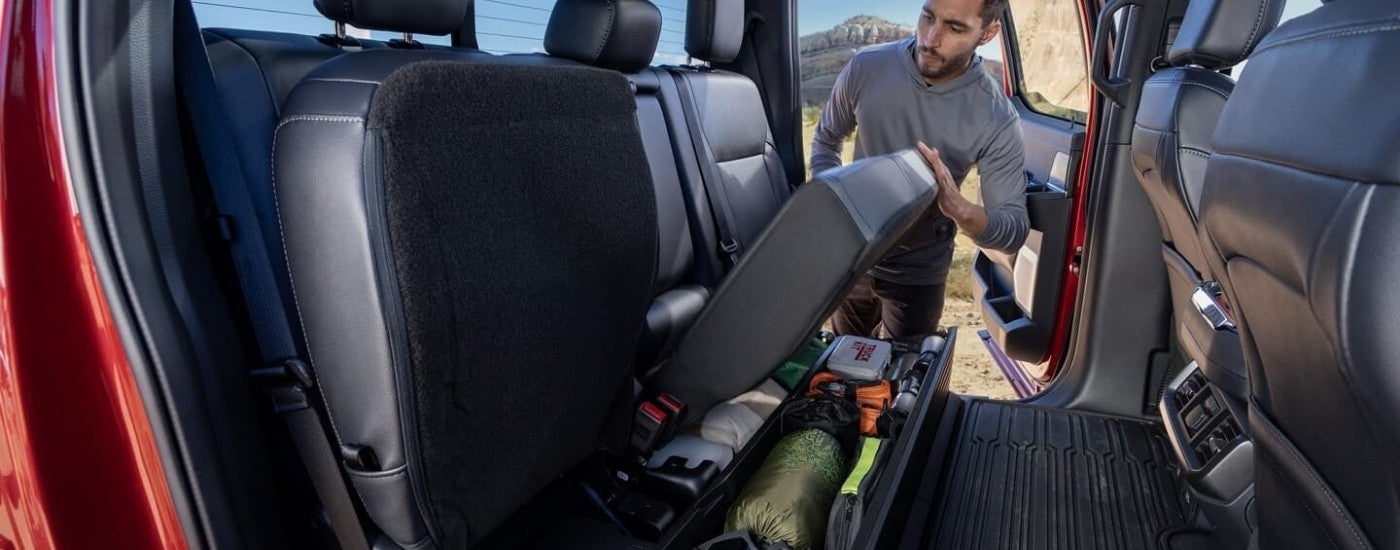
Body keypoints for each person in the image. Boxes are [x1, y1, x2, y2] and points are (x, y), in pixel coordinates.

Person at [810, 0, 1028, 339]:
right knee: (844, 366)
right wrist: (836, 207)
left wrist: (961, 209)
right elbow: (826, 140)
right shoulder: (866, 67)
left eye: (954, 28)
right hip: (854, 257)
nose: (929, 38)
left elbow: (1012, 230)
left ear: (988, 34)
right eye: (927, 17)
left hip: (920, 269)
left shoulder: (997, 117)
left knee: (906, 378)